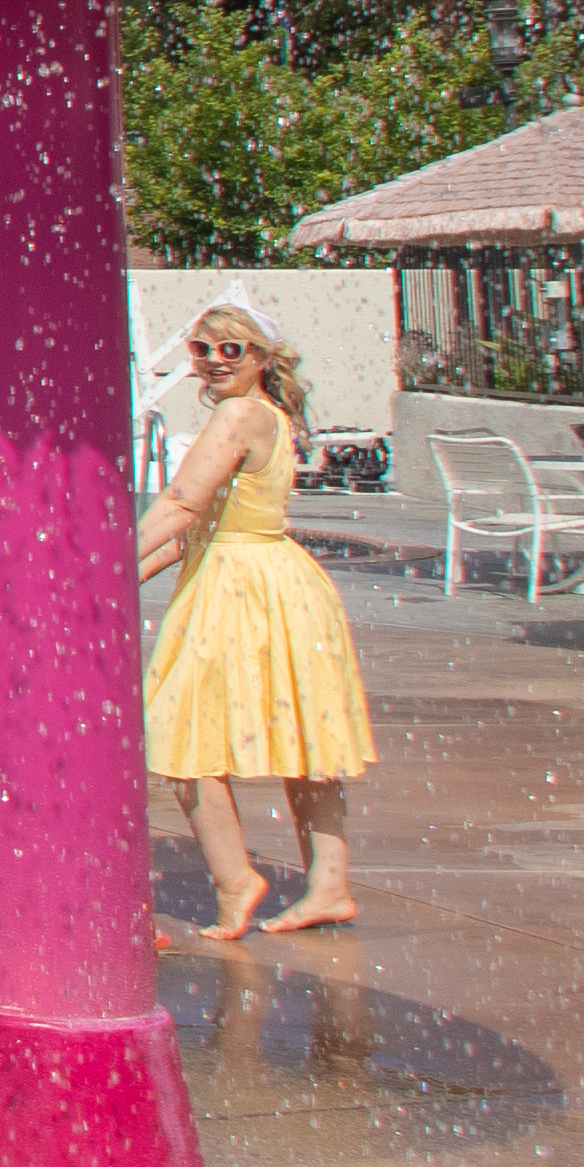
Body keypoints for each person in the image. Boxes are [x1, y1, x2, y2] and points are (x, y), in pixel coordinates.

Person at [139, 299, 375, 939]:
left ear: (263, 360)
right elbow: (195, 530)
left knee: (177, 731)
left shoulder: (240, 414)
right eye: (202, 349)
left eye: (231, 349)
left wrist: (98, 569)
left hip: (242, 587)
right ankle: (328, 885)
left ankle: (237, 881)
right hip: (273, 582)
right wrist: (113, 582)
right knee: (305, 737)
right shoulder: (265, 415)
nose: (214, 360)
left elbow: (184, 504)